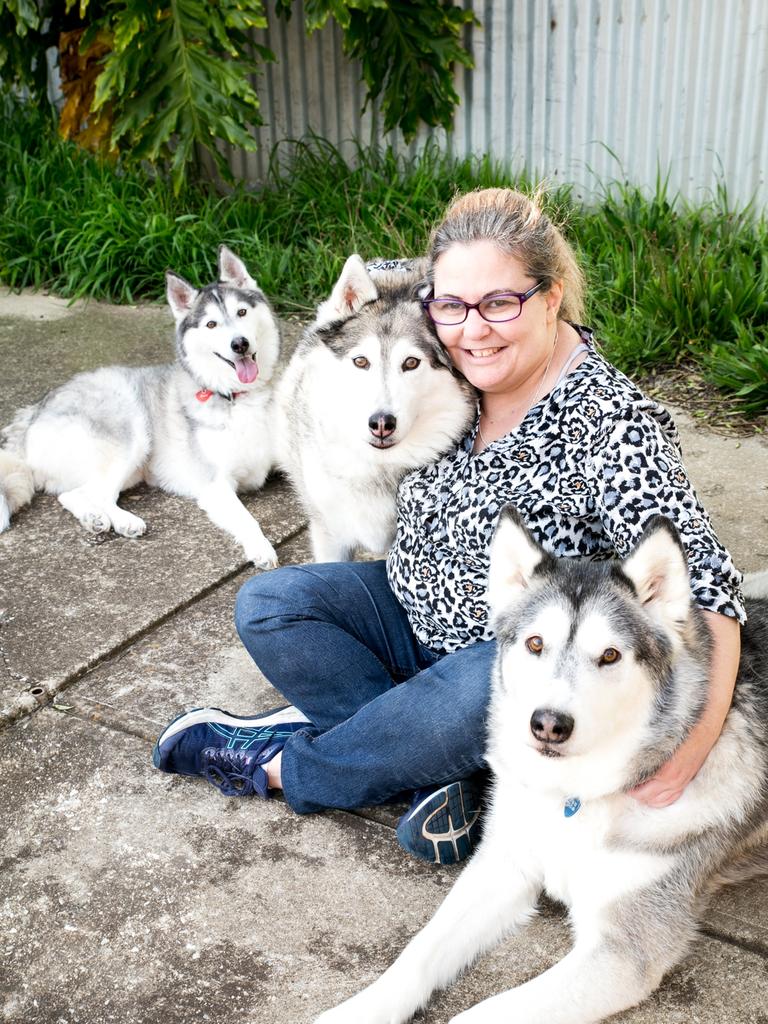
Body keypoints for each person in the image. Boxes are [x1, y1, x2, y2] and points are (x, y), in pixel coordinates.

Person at [153, 188, 744, 866]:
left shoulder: (610, 422)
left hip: (511, 662)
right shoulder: (461, 357)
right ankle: (436, 771)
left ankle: (290, 767)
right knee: (271, 604)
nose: (474, 328)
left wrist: (692, 744)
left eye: (501, 304)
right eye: (454, 306)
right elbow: (376, 278)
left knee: (474, 692)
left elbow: (710, 583)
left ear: (550, 298)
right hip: (403, 613)